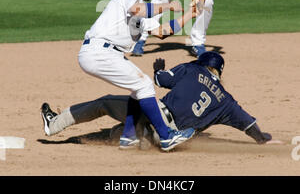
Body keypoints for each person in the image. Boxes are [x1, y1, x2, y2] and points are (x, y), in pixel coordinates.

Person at [41, 0, 201, 152]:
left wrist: (190, 14)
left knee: (137, 89)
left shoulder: (134, 15)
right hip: (99, 52)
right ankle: (166, 137)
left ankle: (128, 136)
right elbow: (138, 9)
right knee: (145, 85)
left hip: (104, 54)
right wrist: (169, 6)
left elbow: (161, 32)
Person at [40, 52, 272, 150]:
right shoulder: (227, 101)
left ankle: (55, 124)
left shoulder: (192, 69)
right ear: (219, 71)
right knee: (119, 132)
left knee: (105, 102)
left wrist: (159, 68)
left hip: (157, 115)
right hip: (173, 134)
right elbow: (249, 126)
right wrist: (263, 139)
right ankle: (137, 138)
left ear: (203, 63)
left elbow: (160, 81)